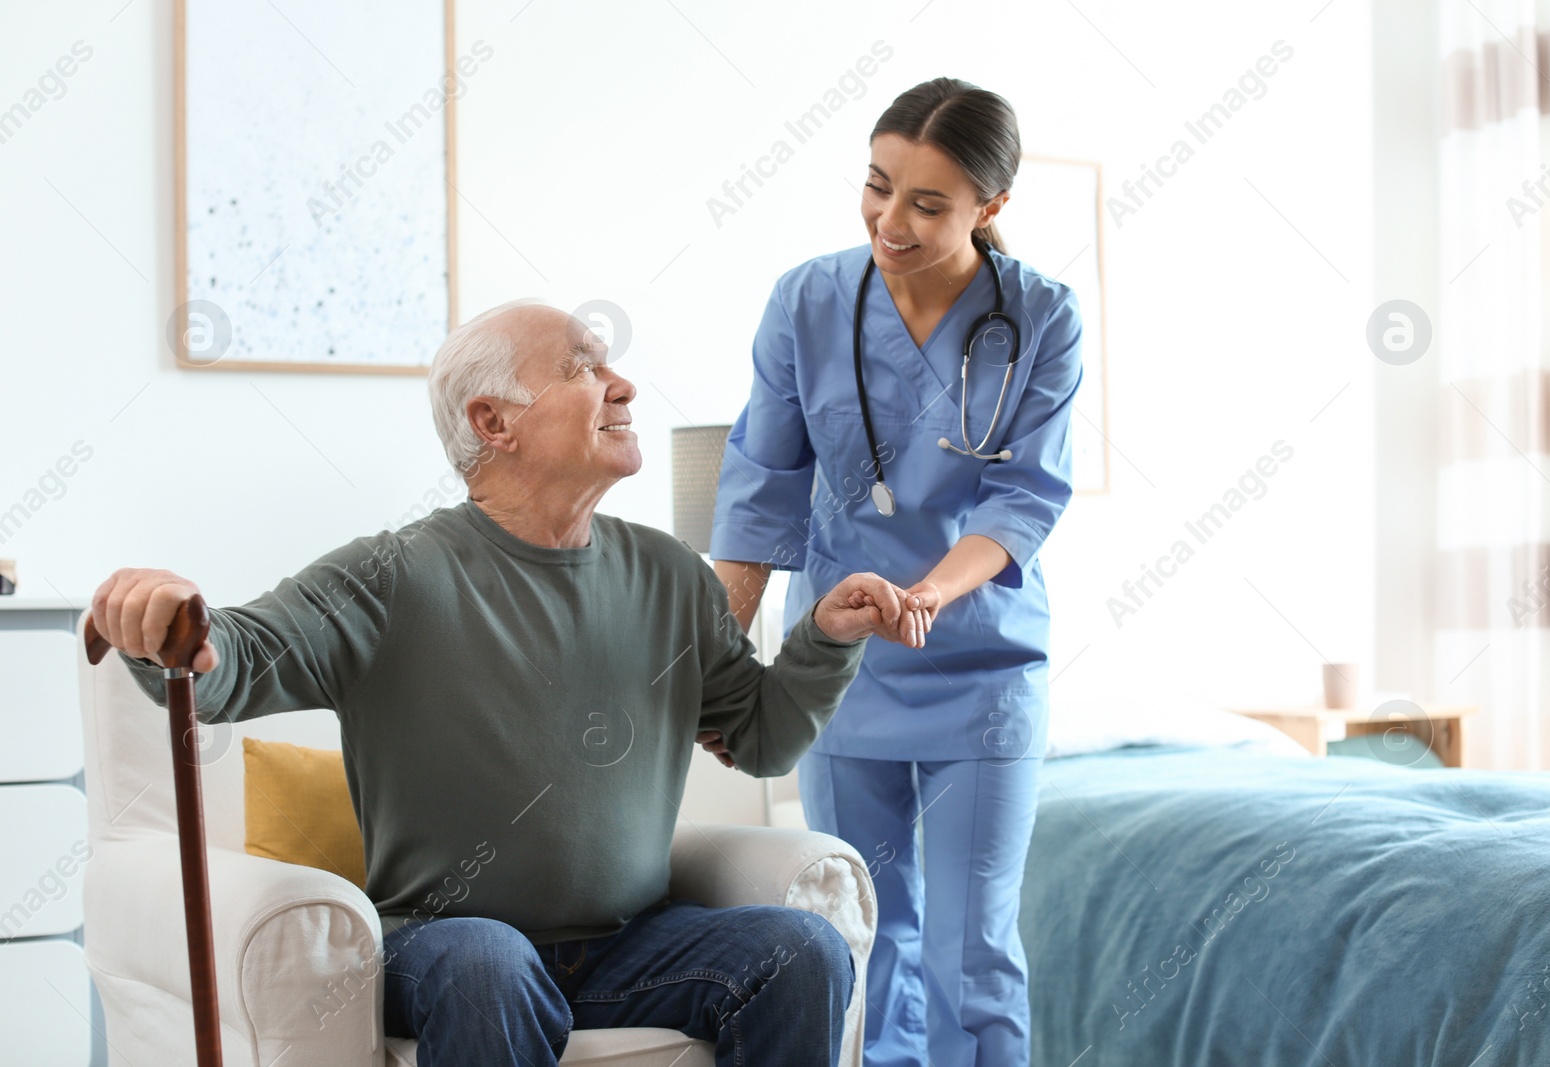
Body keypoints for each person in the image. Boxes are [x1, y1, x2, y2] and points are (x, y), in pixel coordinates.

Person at [90, 300, 925, 1067]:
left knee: (801, 947)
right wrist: (165, 625)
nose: (623, 383)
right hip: (443, 944)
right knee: (488, 957)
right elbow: (233, 660)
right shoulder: (394, 576)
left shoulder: (672, 576)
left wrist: (824, 639)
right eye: (583, 367)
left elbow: (762, 736)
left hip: (631, 943)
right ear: (493, 422)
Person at [701, 78, 1085, 1066]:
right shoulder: (808, 298)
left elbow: (1025, 495)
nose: (892, 219)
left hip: (982, 661)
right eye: (878, 186)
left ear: (988, 208)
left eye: (928, 202)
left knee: (972, 952)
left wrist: (931, 593)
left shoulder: (1041, 315)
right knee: (866, 939)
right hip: (838, 661)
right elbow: (763, 478)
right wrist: (719, 655)